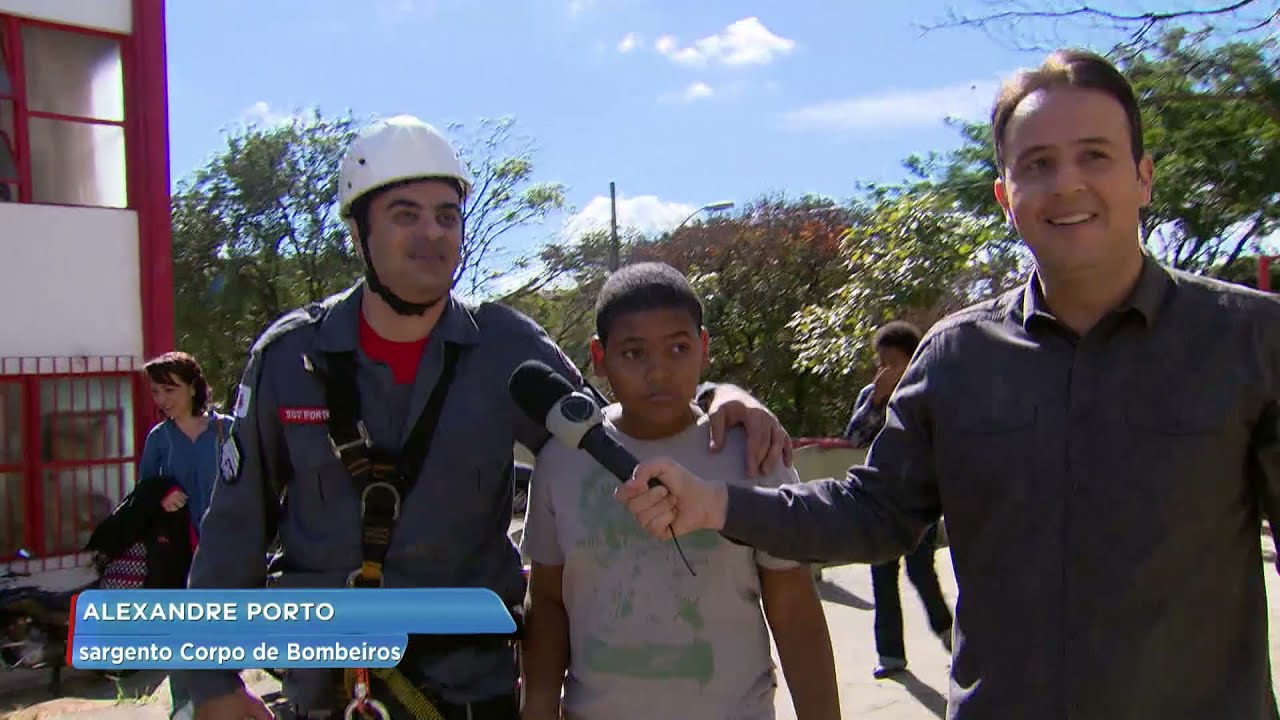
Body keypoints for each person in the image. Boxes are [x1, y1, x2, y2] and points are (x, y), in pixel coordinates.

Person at [616, 49, 1280, 719]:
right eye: (1038, 164)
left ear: (1143, 177)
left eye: (1095, 156)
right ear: (1005, 196)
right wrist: (715, 504)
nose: (1067, 185)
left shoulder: (1251, 340)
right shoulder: (956, 357)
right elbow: (873, 514)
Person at [183, 115, 791, 720]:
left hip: (471, 692)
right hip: (330, 690)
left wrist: (719, 395)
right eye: (405, 214)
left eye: (447, 215)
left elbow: (614, 428)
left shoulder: (507, 347)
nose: (432, 233)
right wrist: (211, 686)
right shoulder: (291, 357)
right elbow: (234, 527)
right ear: (359, 231)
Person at [520, 262, 840, 720]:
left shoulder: (754, 456)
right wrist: (538, 706)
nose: (659, 372)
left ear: (704, 347)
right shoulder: (562, 459)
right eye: (633, 353)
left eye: (678, 348)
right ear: (599, 356)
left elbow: (794, 610)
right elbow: (548, 602)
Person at [843, 321, 952, 679]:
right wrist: (876, 400)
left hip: (920, 502)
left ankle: (952, 637)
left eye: (893, 361)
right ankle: (890, 655)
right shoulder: (870, 395)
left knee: (922, 574)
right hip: (878, 502)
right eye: (881, 361)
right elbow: (855, 437)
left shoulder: (929, 391)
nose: (884, 369)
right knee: (883, 579)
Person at [138, 351, 233, 720]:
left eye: (169, 390)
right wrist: (161, 495)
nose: (162, 400)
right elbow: (143, 491)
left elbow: (250, 479)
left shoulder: (226, 430)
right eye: (156, 392)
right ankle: (183, 705)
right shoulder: (159, 439)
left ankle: (225, 699)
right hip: (178, 550)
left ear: (193, 386)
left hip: (224, 547)